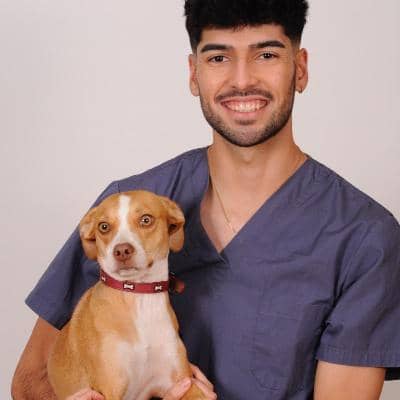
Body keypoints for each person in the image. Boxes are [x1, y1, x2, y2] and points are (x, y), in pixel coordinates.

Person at [11, 1, 400, 399]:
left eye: (266, 55)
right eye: (218, 57)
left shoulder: (363, 239)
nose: (242, 80)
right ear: (194, 74)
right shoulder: (123, 211)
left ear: (300, 69)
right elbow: (31, 382)